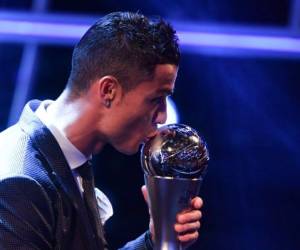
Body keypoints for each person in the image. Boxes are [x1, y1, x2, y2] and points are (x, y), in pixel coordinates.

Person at [0, 12, 203, 249]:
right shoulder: (20, 183)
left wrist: (154, 241)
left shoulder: (66, 160)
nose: (163, 117)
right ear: (109, 90)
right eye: (156, 99)